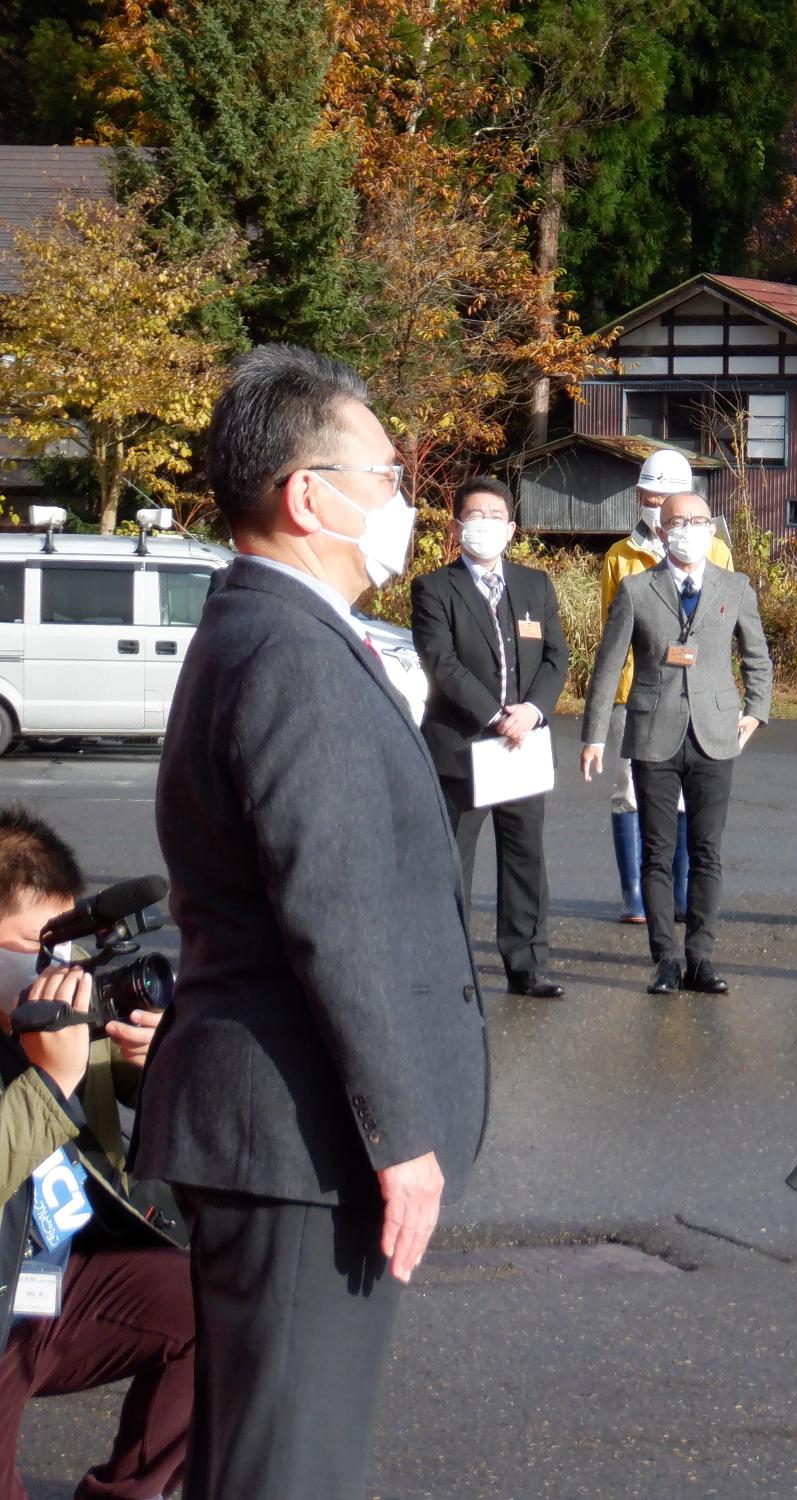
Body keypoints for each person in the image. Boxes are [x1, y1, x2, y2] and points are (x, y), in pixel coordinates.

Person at [137, 344, 489, 1500]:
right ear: (308, 497)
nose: (404, 501)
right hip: (300, 1137)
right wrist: (400, 1134)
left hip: (285, 1131)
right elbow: (330, 914)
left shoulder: (275, 632)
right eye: (389, 475)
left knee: (270, 1452)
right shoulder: (288, 651)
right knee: (289, 1467)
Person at [0, 806, 192, 1500]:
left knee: (213, 1302)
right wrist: (49, 1082)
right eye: (34, 944)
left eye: (67, 944)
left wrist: (154, 1057)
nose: (60, 967)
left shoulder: (66, 999)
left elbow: (132, 1113)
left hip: (56, 1286)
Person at [581, 486, 770, 997]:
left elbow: (757, 655)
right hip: (652, 732)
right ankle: (665, 958)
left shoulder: (736, 586)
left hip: (715, 734)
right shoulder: (639, 589)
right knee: (658, 852)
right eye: (677, 522)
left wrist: (757, 711)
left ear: (712, 528)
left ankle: (701, 956)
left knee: (708, 849)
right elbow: (608, 666)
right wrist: (594, 736)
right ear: (661, 531)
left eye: (698, 520)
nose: (688, 529)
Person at [411, 477, 571, 999]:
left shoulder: (534, 585)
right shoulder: (434, 588)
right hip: (463, 744)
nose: (483, 524)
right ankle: (449, 967)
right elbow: (442, 663)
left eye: (493, 515)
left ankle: (527, 965)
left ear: (511, 528)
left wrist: (532, 711)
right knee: (454, 858)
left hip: (522, 743)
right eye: (472, 515)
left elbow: (555, 658)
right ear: (456, 525)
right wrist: (493, 714)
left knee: (525, 856)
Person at [599, 448, 734, 926]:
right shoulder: (621, 556)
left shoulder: (715, 549)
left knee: (681, 797)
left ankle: (679, 893)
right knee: (629, 792)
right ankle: (634, 894)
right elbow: (610, 635)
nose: (654, 505)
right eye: (648, 496)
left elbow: (726, 619)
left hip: (696, 693)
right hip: (635, 693)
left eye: (664, 496)